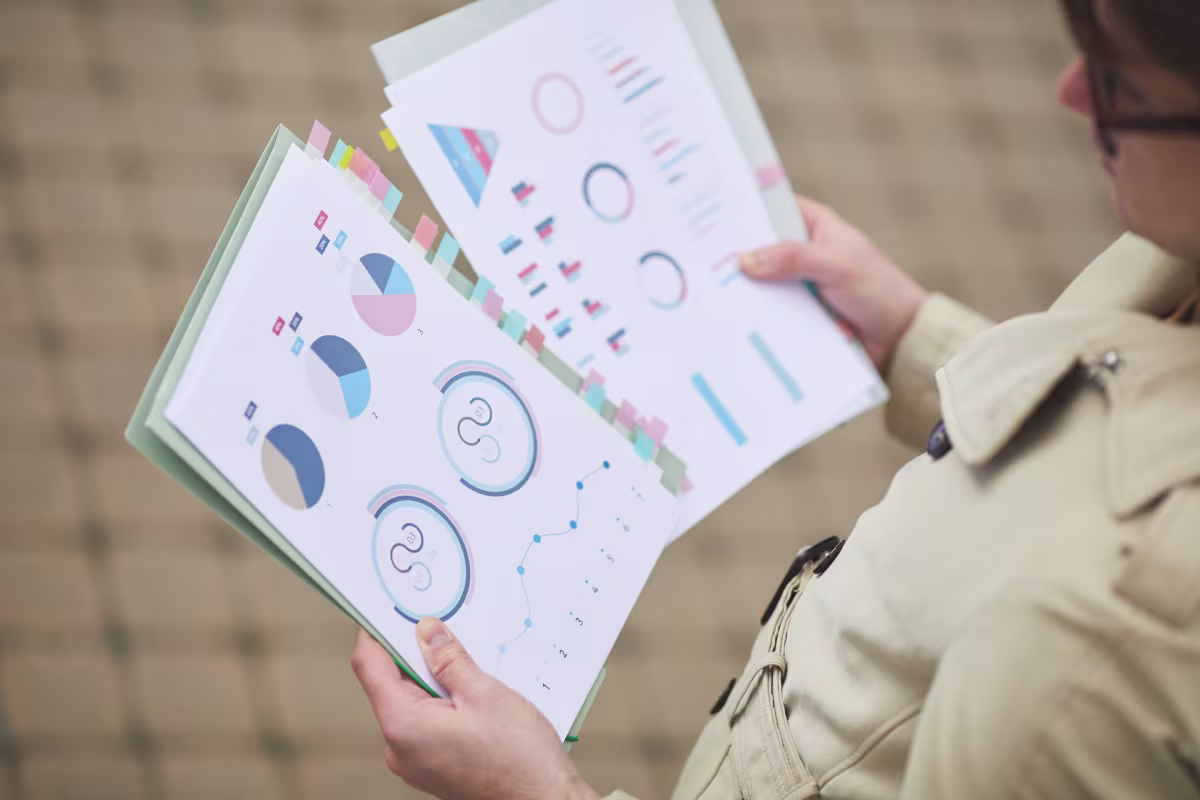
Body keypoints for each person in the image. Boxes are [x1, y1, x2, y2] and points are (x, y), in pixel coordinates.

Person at [349, 0, 1200, 796]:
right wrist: (914, 336)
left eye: (1121, 79)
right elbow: (1123, 407)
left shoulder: (1114, 636)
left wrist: (538, 789)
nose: (1071, 92)